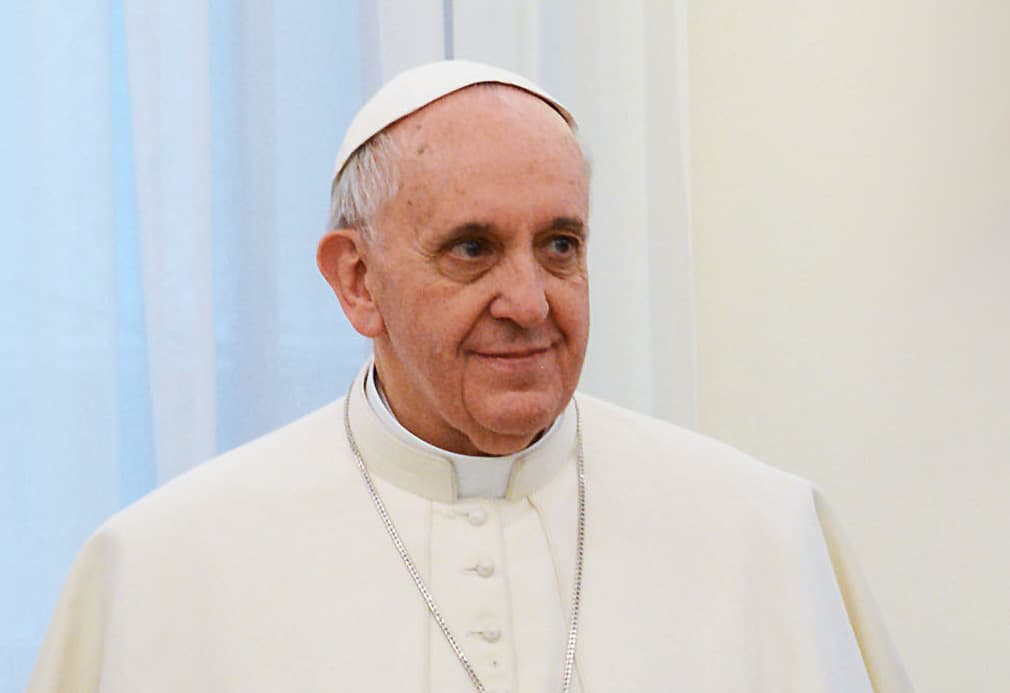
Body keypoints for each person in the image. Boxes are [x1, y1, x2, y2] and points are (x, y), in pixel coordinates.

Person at [29, 60, 914, 692]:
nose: (528, 301)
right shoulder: (165, 566)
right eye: (472, 249)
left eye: (559, 244)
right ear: (357, 280)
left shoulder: (761, 531)